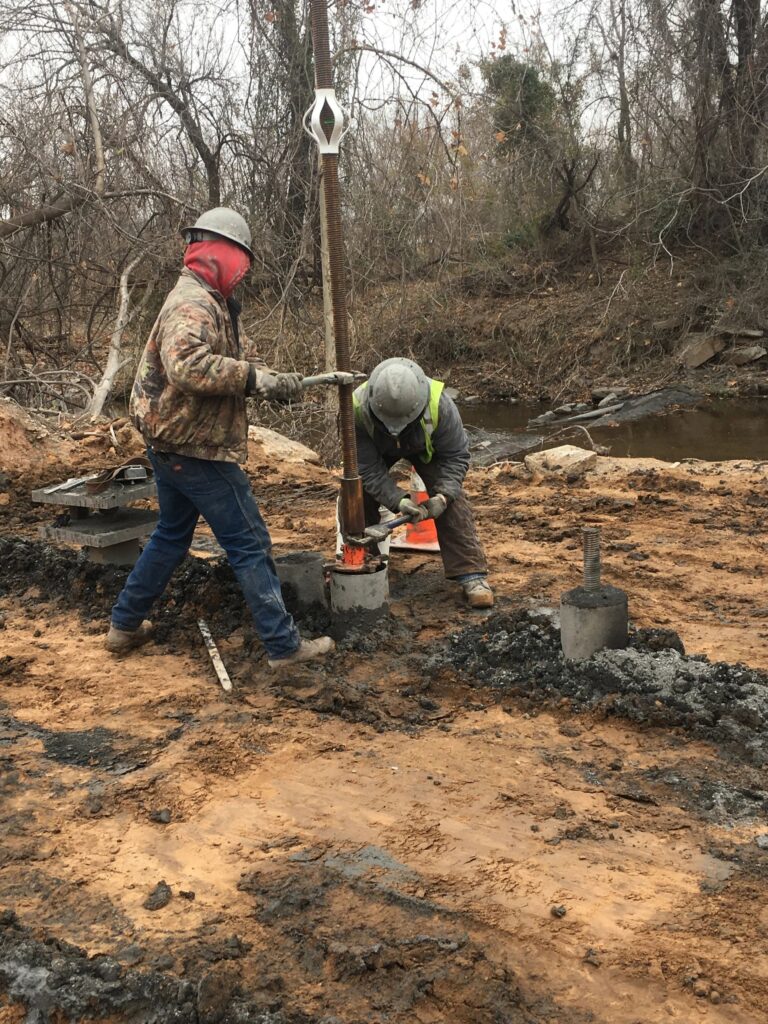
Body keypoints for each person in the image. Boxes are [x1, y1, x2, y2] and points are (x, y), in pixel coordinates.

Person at [105, 207, 334, 668]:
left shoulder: (209, 298)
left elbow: (230, 360)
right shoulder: (193, 302)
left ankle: (123, 626)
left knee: (171, 534)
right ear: (221, 253)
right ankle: (284, 647)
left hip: (172, 442)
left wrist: (271, 381)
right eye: (242, 260)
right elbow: (187, 366)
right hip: (195, 448)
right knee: (249, 543)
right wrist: (254, 379)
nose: (244, 272)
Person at [352, 357, 494, 609]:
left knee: (453, 497)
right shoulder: (355, 409)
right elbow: (366, 468)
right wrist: (399, 500)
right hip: (377, 450)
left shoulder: (441, 404)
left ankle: (471, 574)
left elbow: (456, 457)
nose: (395, 429)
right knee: (356, 494)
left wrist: (443, 497)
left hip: (425, 447)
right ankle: (363, 564)